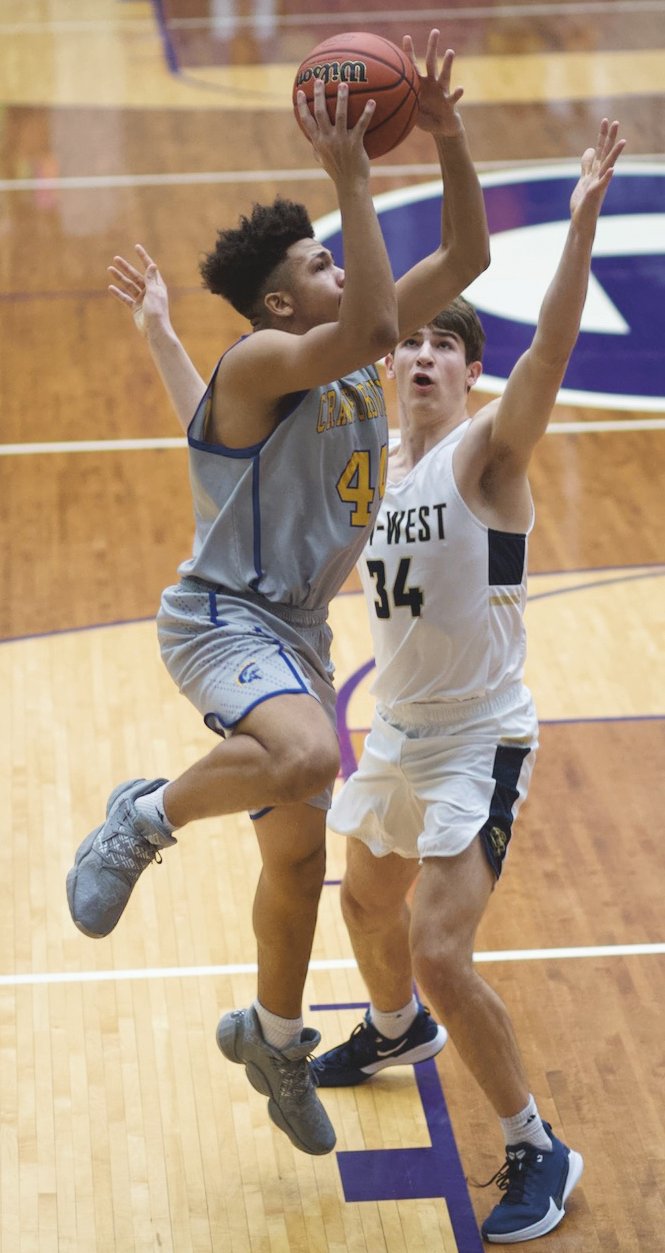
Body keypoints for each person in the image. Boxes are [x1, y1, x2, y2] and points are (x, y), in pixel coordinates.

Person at [66, 31, 490, 1161]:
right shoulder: (263, 356)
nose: (340, 268)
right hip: (220, 616)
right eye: (318, 260)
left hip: (295, 630)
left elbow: (467, 250)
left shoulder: (347, 351)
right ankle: (145, 815)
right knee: (305, 759)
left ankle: (273, 1034)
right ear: (273, 300)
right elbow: (366, 323)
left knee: (295, 860)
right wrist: (349, 172)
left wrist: (443, 134)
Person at [311, 119, 624, 1241]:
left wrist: (579, 219)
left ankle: (536, 1141)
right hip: (396, 729)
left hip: (478, 738)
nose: (426, 355)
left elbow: (549, 339)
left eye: (448, 345)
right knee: (361, 904)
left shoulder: (486, 454)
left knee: (441, 946)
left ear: (469, 370)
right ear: (391, 361)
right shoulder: (379, 469)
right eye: (414, 344)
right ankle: (393, 1026)